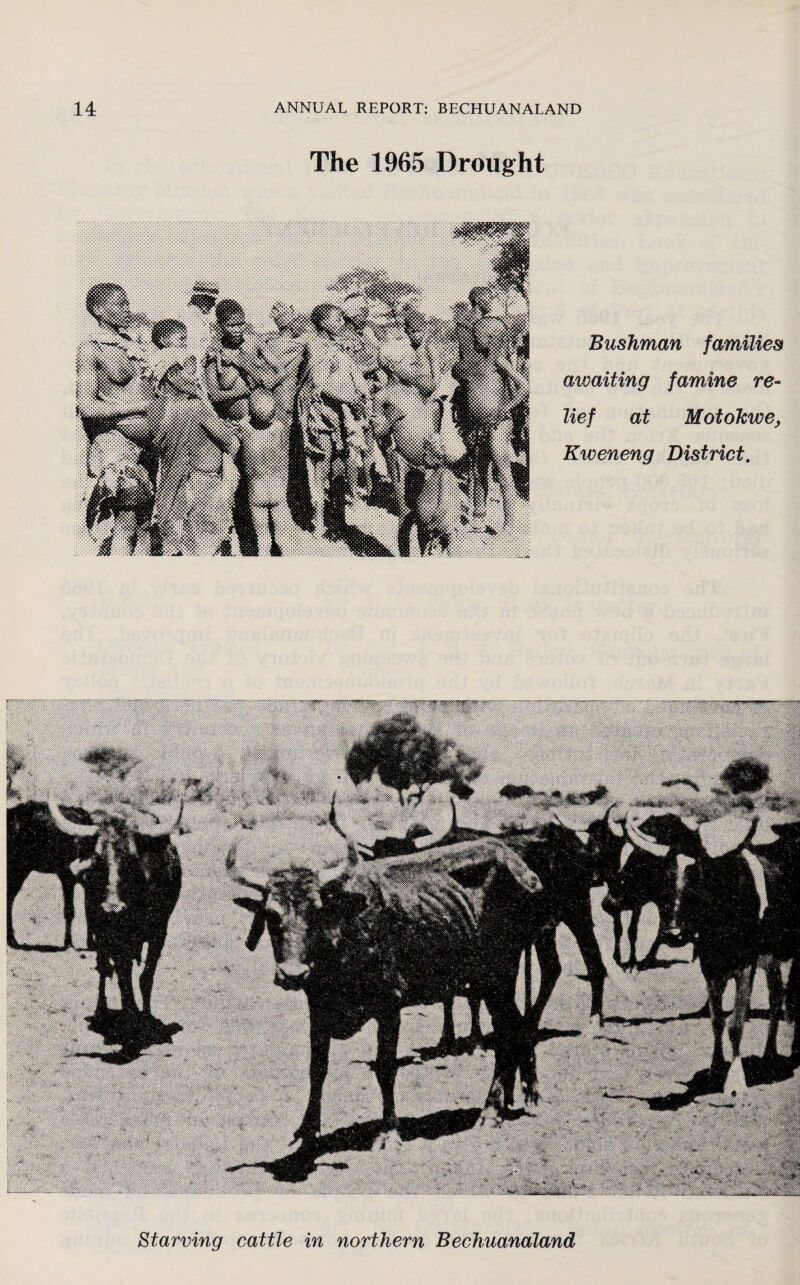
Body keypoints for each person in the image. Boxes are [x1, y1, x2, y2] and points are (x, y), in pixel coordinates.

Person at [148, 319, 240, 556]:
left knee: (178, 544)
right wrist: (231, 434)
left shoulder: (155, 408)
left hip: (172, 488)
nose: (195, 377)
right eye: (189, 371)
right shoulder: (195, 407)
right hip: (204, 487)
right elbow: (230, 442)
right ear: (171, 376)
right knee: (206, 548)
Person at [76, 283, 154, 555]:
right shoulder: (90, 349)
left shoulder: (132, 346)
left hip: (148, 447)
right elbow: (87, 407)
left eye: (127, 303)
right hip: (117, 445)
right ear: (99, 310)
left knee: (146, 529)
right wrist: (140, 406)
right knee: (126, 527)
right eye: (120, 304)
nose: (127, 310)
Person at [295, 303, 370, 541]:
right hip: (321, 414)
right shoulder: (316, 345)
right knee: (321, 466)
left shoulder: (336, 345)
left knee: (340, 463)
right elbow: (321, 384)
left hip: (340, 414)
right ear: (322, 323)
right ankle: (319, 522)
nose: (341, 323)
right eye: (336, 319)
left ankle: (339, 517)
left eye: (341, 319)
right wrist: (352, 400)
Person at [452, 315, 528, 533]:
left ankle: (510, 524)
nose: (474, 342)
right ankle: (478, 518)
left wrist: (507, 407)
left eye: (478, 338)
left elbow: (524, 386)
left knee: (503, 470)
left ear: (491, 338)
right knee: (478, 470)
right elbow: (458, 375)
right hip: (477, 427)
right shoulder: (474, 362)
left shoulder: (498, 360)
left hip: (499, 424)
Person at [239, 389, 307, 556]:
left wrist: (251, 413)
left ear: (250, 411)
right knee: (281, 535)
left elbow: (244, 422)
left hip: (257, 491)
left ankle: (264, 562)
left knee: (262, 537)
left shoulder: (246, 430)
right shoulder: (277, 429)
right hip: (277, 488)